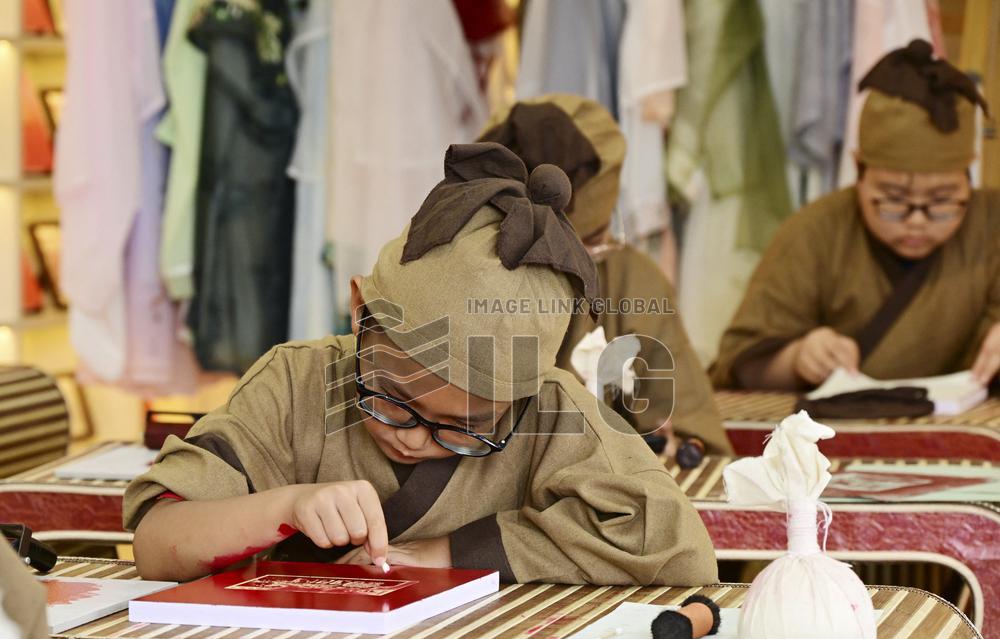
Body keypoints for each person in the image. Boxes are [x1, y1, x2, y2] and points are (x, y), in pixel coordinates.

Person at [124, 142, 717, 588]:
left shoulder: (552, 414)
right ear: (359, 312)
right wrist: (284, 508)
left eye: (465, 429)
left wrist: (455, 553)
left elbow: (679, 547)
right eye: (391, 400)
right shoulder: (296, 385)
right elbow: (154, 545)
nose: (413, 442)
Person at [711, 40, 999, 391]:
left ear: (969, 176)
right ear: (859, 169)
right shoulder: (816, 230)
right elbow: (740, 364)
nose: (917, 221)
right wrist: (798, 357)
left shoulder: (992, 223)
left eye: (943, 200)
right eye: (894, 199)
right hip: (833, 436)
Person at [480, 93, 732, 456]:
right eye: (586, 244)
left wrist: (662, 451)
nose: (599, 252)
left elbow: (689, 433)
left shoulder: (631, 279)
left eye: (599, 240)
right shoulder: (451, 274)